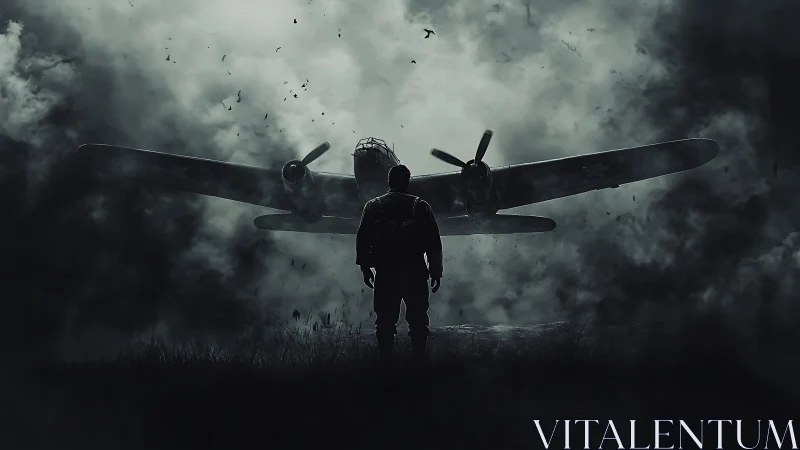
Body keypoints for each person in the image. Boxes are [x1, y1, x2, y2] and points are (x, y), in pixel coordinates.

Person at [356, 164, 443, 363]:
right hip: (415, 271)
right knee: (418, 319)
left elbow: (362, 237)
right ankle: (419, 360)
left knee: (385, 320)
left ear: (388, 181)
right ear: (408, 181)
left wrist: (365, 267)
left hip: (386, 272)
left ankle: (385, 361)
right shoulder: (420, 205)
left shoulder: (373, 205)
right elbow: (433, 240)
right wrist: (436, 270)